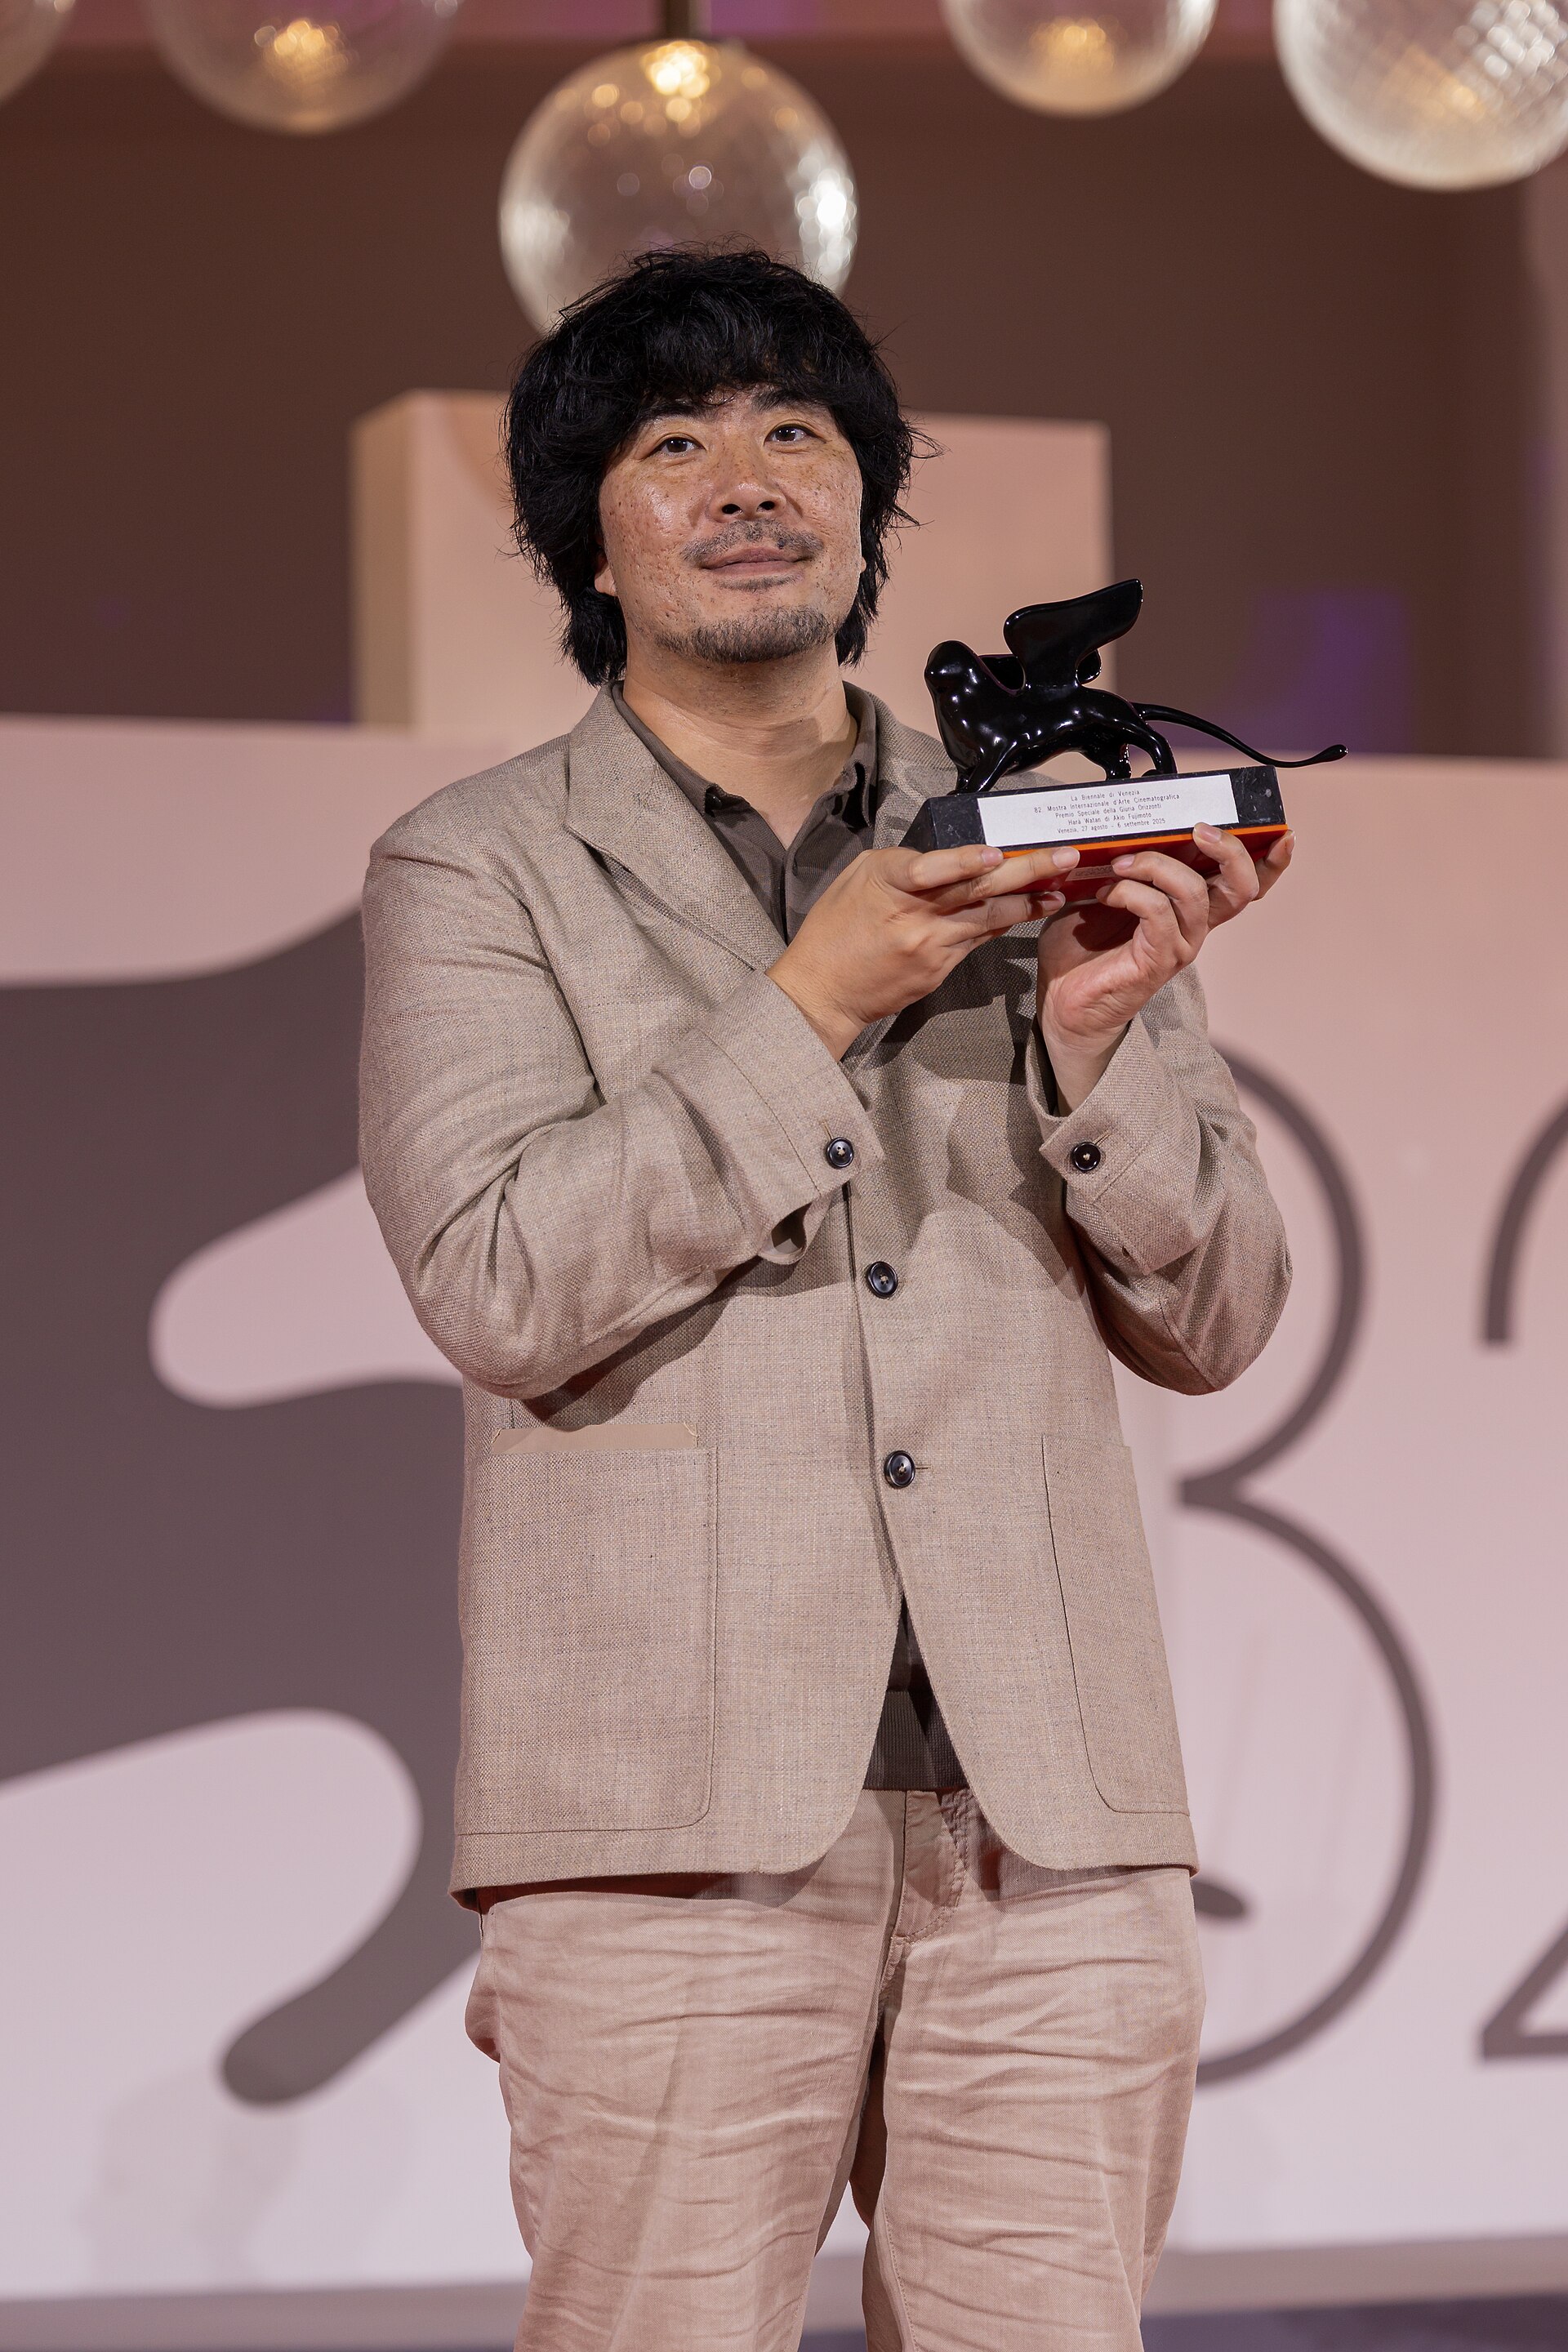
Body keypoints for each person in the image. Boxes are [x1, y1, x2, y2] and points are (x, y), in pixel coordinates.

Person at [359, 247, 1291, 2352]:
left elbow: (1223, 1313)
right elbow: (503, 1279)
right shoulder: (480, 865)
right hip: (666, 1830)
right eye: (673, 442)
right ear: (585, 534)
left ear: (868, 511)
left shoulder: (1040, 846)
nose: (747, 476)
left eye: (799, 433)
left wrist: (1103, 1031)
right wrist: (821, 993)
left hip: (1047, 1822)